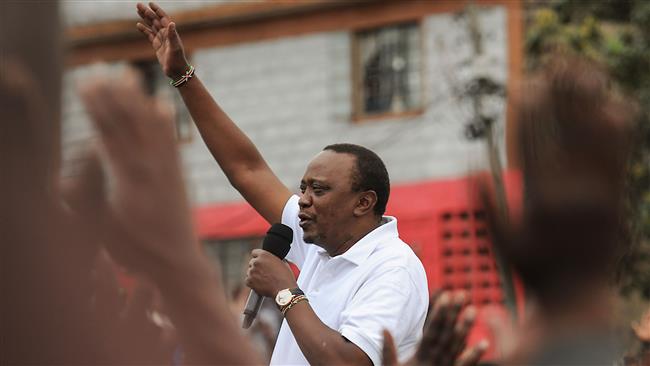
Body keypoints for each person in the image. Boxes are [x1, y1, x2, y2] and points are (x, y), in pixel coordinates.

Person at [135, 3, 429, 364]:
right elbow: (247, 169)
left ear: (363, 202)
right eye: (303, 188)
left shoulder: (393, 269)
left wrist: (285, 290)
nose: (303, 200)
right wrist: (183, 76)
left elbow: (349, 362)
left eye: (319, 190)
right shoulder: (322, 246)